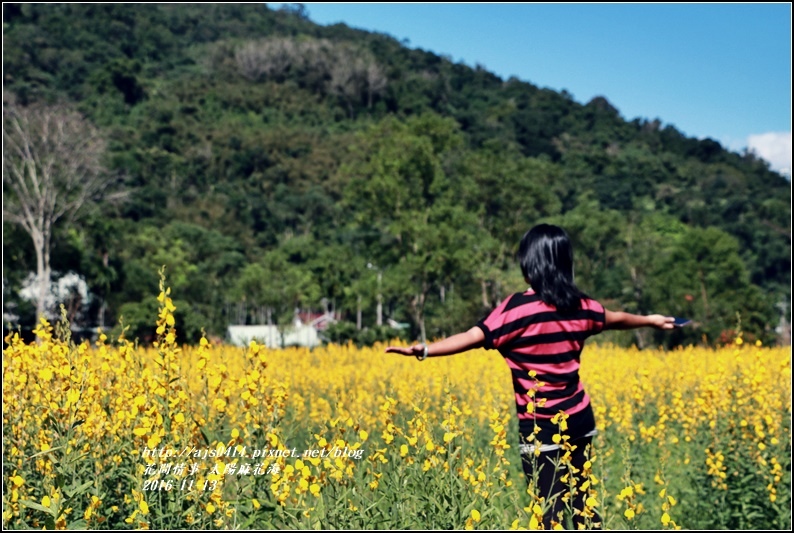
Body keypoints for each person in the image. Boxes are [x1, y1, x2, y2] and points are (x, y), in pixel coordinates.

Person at [386, 223, 674, 529]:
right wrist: (651, 321)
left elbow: (473, 335)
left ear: (529, 265)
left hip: (540, 427)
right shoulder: (580, 307)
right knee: (583, 507)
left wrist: (427, 350)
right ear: (566, 263)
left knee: (548, 514)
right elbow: (615, 319)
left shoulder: (517, 310)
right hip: (579, 418)